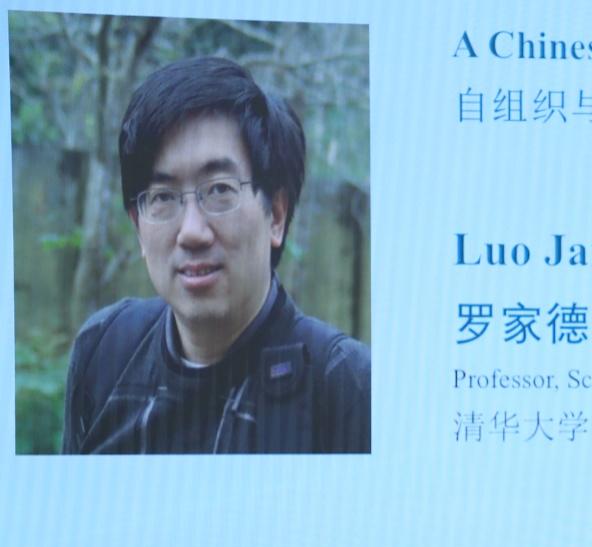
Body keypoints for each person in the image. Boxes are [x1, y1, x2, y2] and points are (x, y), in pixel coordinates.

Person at [62, 57, 370, 454]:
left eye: (219, 190)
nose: (192, 232)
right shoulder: (106, 350)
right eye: (163, 197)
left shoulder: (346, 385)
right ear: (138, 226)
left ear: (276, 215)